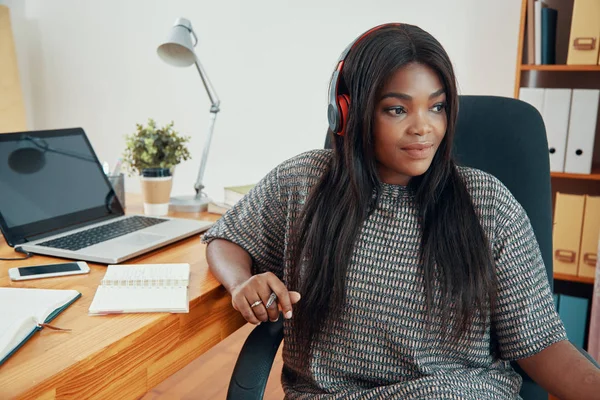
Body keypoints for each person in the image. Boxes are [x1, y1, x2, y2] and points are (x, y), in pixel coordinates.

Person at [203, 23, 600, 399]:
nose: (423, 128)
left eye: (437, 107)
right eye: (397, 109)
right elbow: (226, 237)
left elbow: (541, 345)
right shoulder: (304, 182)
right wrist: (241, 282)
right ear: (348, 112)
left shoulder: (487, 203)